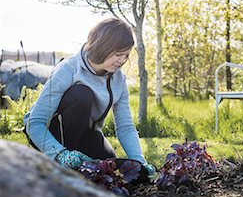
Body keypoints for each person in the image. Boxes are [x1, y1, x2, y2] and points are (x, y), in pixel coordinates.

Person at [23, 18, 155, 179]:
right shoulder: (69, 69)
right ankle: (60, 163)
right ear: (102, 47)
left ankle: (75, 161)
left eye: (126, 55)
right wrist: (59, 154)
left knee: (109, 168)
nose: (122, 60)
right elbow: (35, 123)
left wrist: (138, 160)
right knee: (82, 94)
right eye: (118, 54)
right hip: (49, 132)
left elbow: (125, 126)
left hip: (86, 132)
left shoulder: (119, 80)